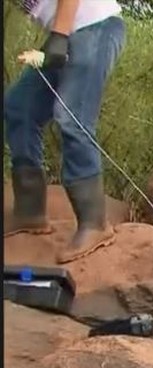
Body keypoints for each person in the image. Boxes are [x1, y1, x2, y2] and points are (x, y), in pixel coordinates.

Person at [4, 0, 127, 263]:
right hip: (66, 33)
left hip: (95, 28)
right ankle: (30, 211)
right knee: (19, 107)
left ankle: (95, 224)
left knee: (71, 116)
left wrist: (59, 35)